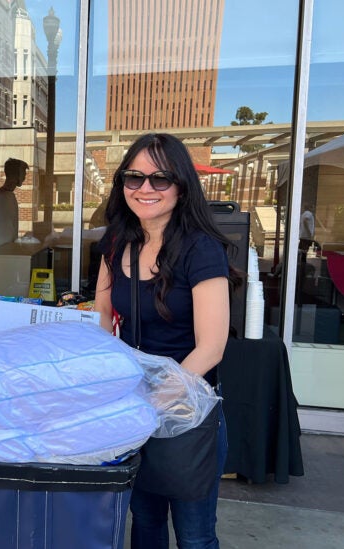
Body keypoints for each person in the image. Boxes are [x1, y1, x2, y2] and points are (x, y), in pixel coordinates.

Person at [94, 133, 240, 548]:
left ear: (181, 185)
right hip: (134, 407)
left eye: (160, 179)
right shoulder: (116, 243)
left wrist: (156, 400)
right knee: (145, 522)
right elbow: (103, 321)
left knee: (194, 534)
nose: (145, 189)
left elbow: (211, 346)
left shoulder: (201, 250)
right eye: (134, 177)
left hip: (186, 407)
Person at [0, 157, 28, 247]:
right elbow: (6, 231)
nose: (24, 177)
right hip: (2, 249)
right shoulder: (4, 196)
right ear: (15, 175)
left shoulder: (7, 194)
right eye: (23, 173)